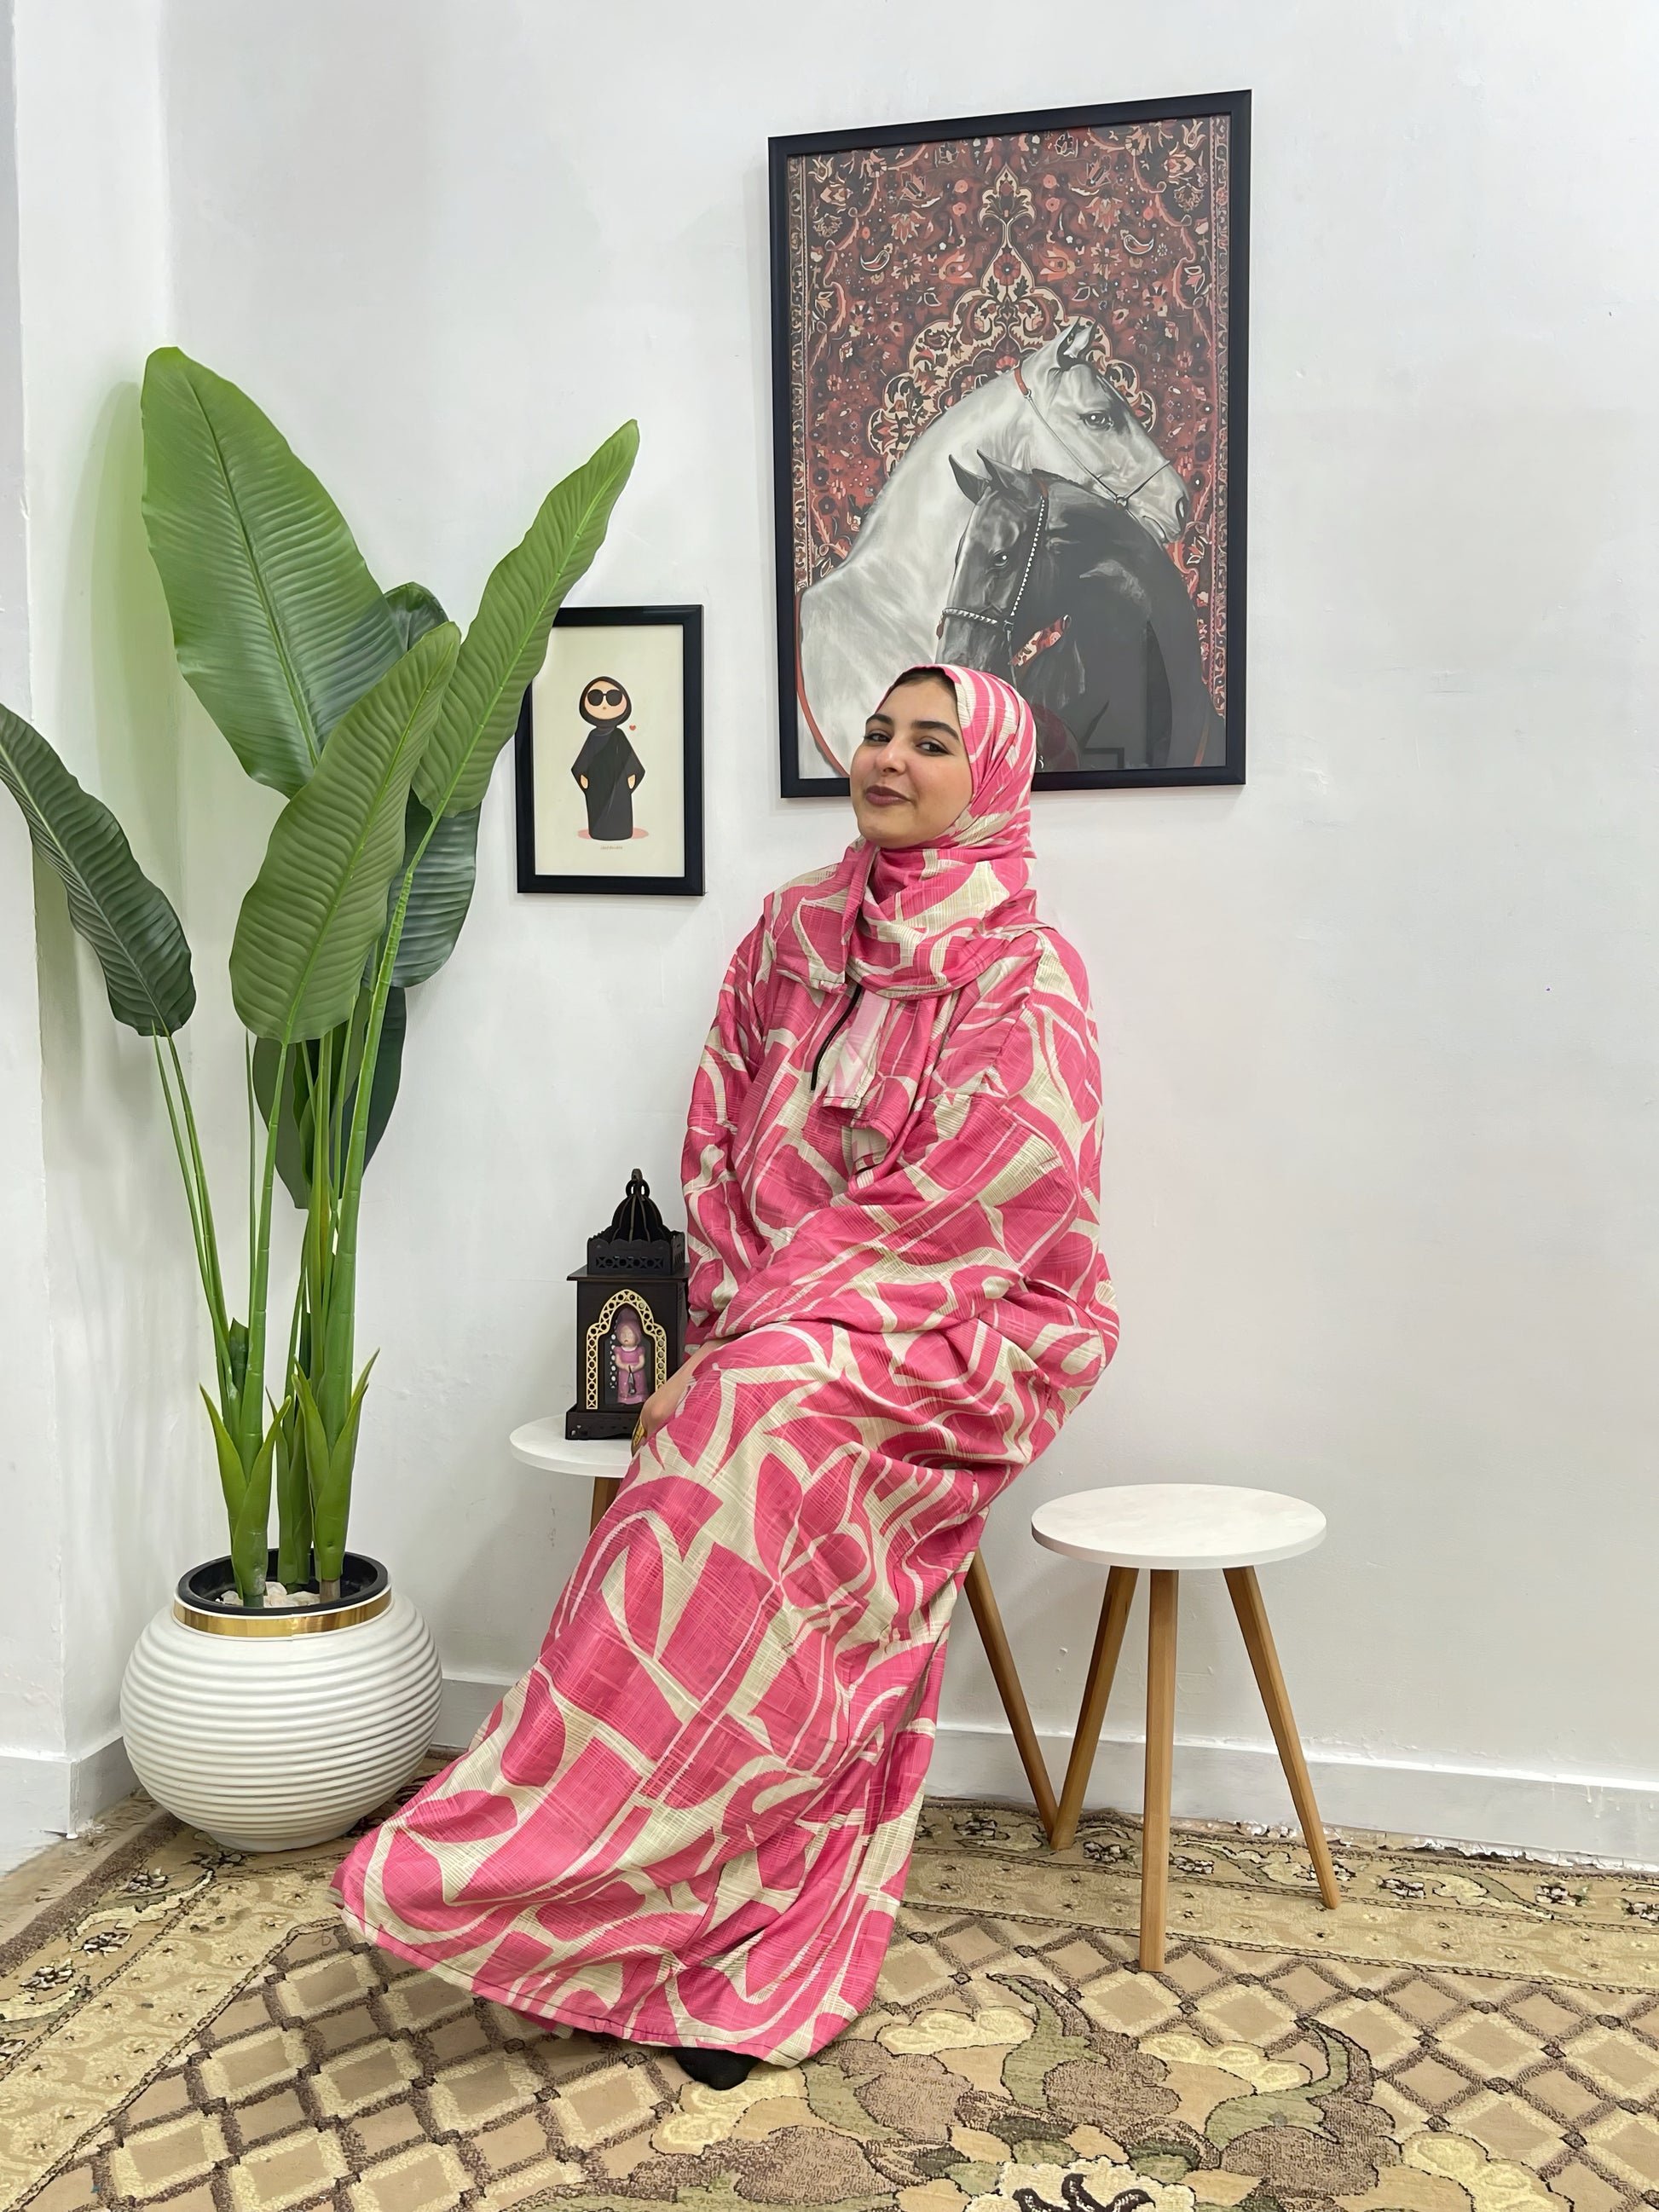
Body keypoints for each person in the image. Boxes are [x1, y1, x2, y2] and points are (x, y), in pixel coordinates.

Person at [335, 665, 1116, 2086]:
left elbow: (1002, 1191)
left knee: (754, 1423)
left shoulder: (1022, 966)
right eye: (877, 732)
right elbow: (717, 1136)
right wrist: (743, 1313)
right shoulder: (791, 930)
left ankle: (714, 1920)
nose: (889, 758)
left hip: (969, 1323)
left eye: (931, 742)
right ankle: (610, 1905)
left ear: (992, 779)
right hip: (774, 1314)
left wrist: (776, 1328)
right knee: (734, 1435)